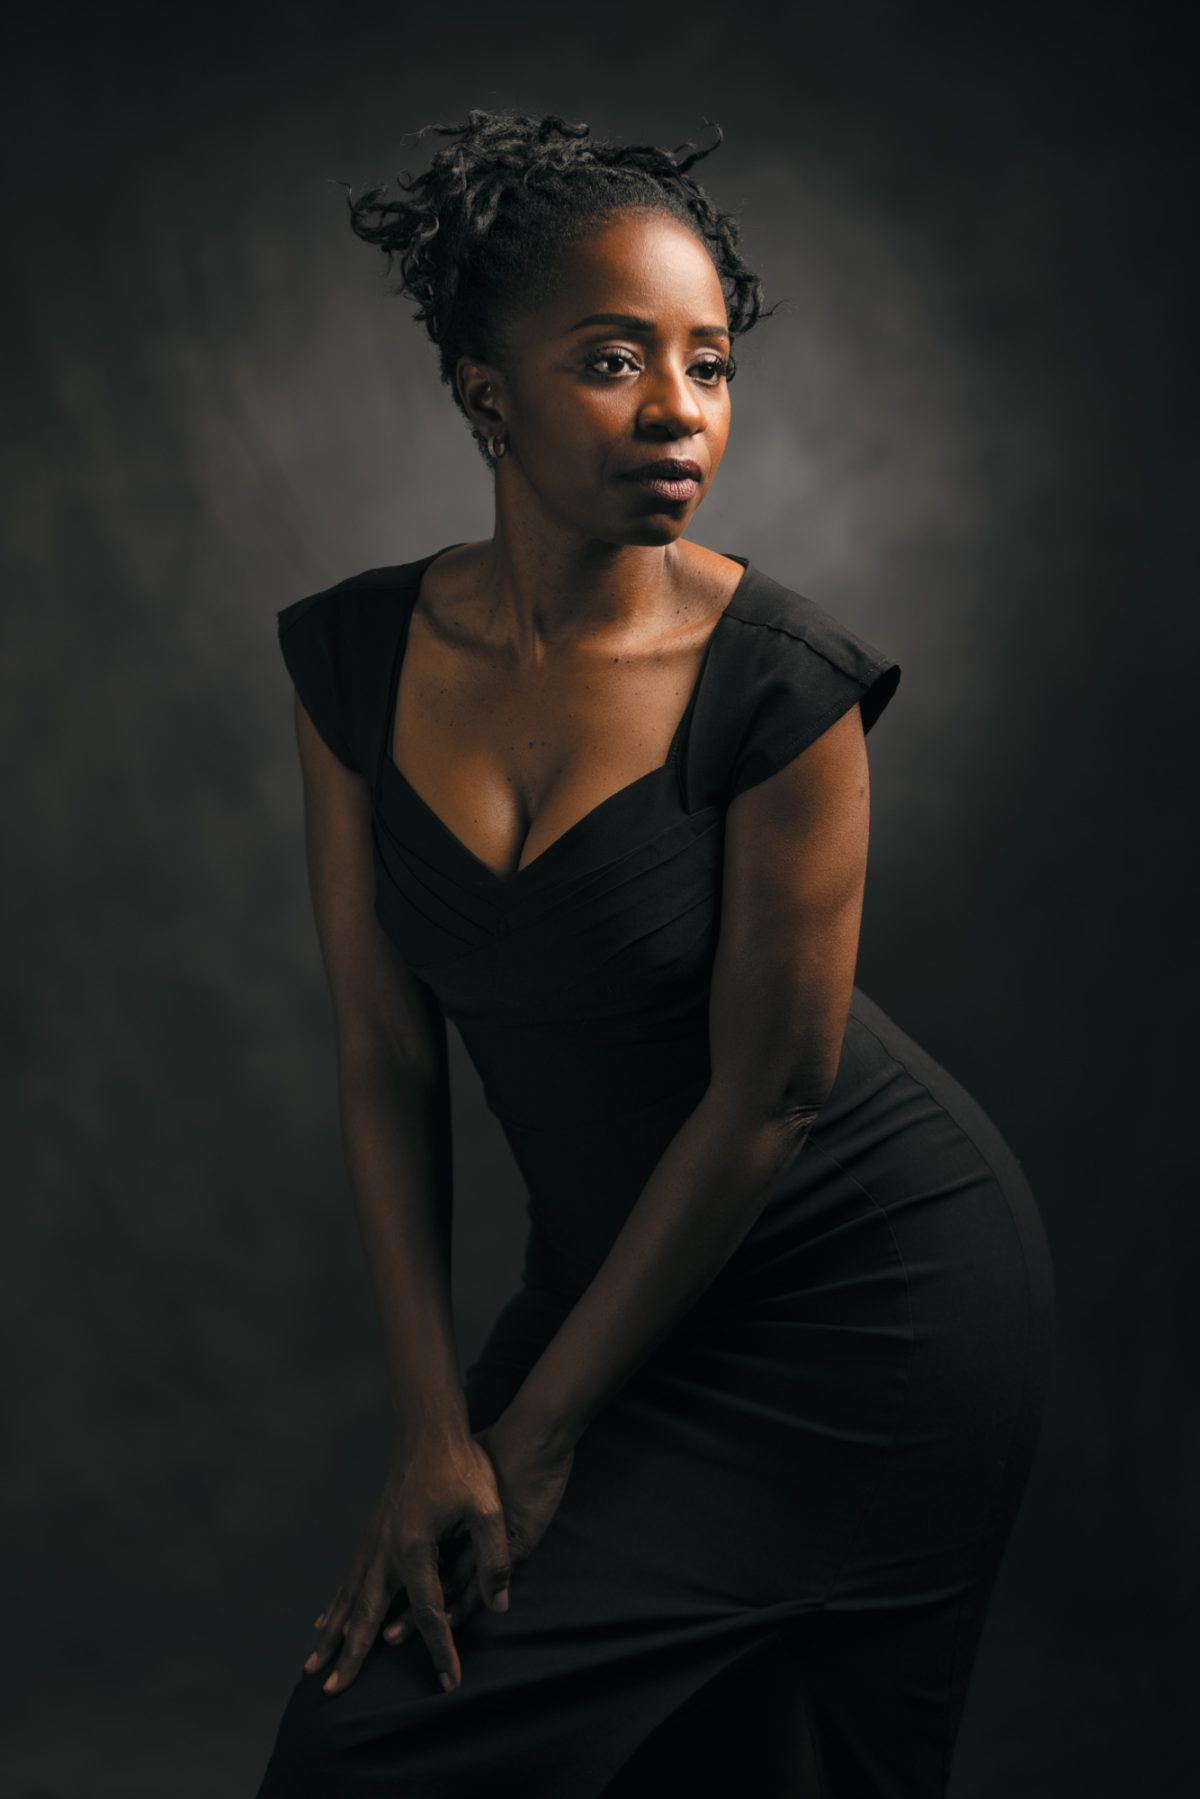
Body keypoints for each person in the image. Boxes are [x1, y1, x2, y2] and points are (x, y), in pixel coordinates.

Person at [254, 109, 1056, 1798]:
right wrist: (432, 1423)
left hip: (873, 1312)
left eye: (710, 362)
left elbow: (773, 1101)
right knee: (362, 1744)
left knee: (795, 1773)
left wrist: (534, 1438)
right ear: (488, 396)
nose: (681, 409)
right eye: (615, 359)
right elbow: (384, 1052)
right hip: (609, 1282)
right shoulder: (353, 658)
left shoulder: (784, 685)